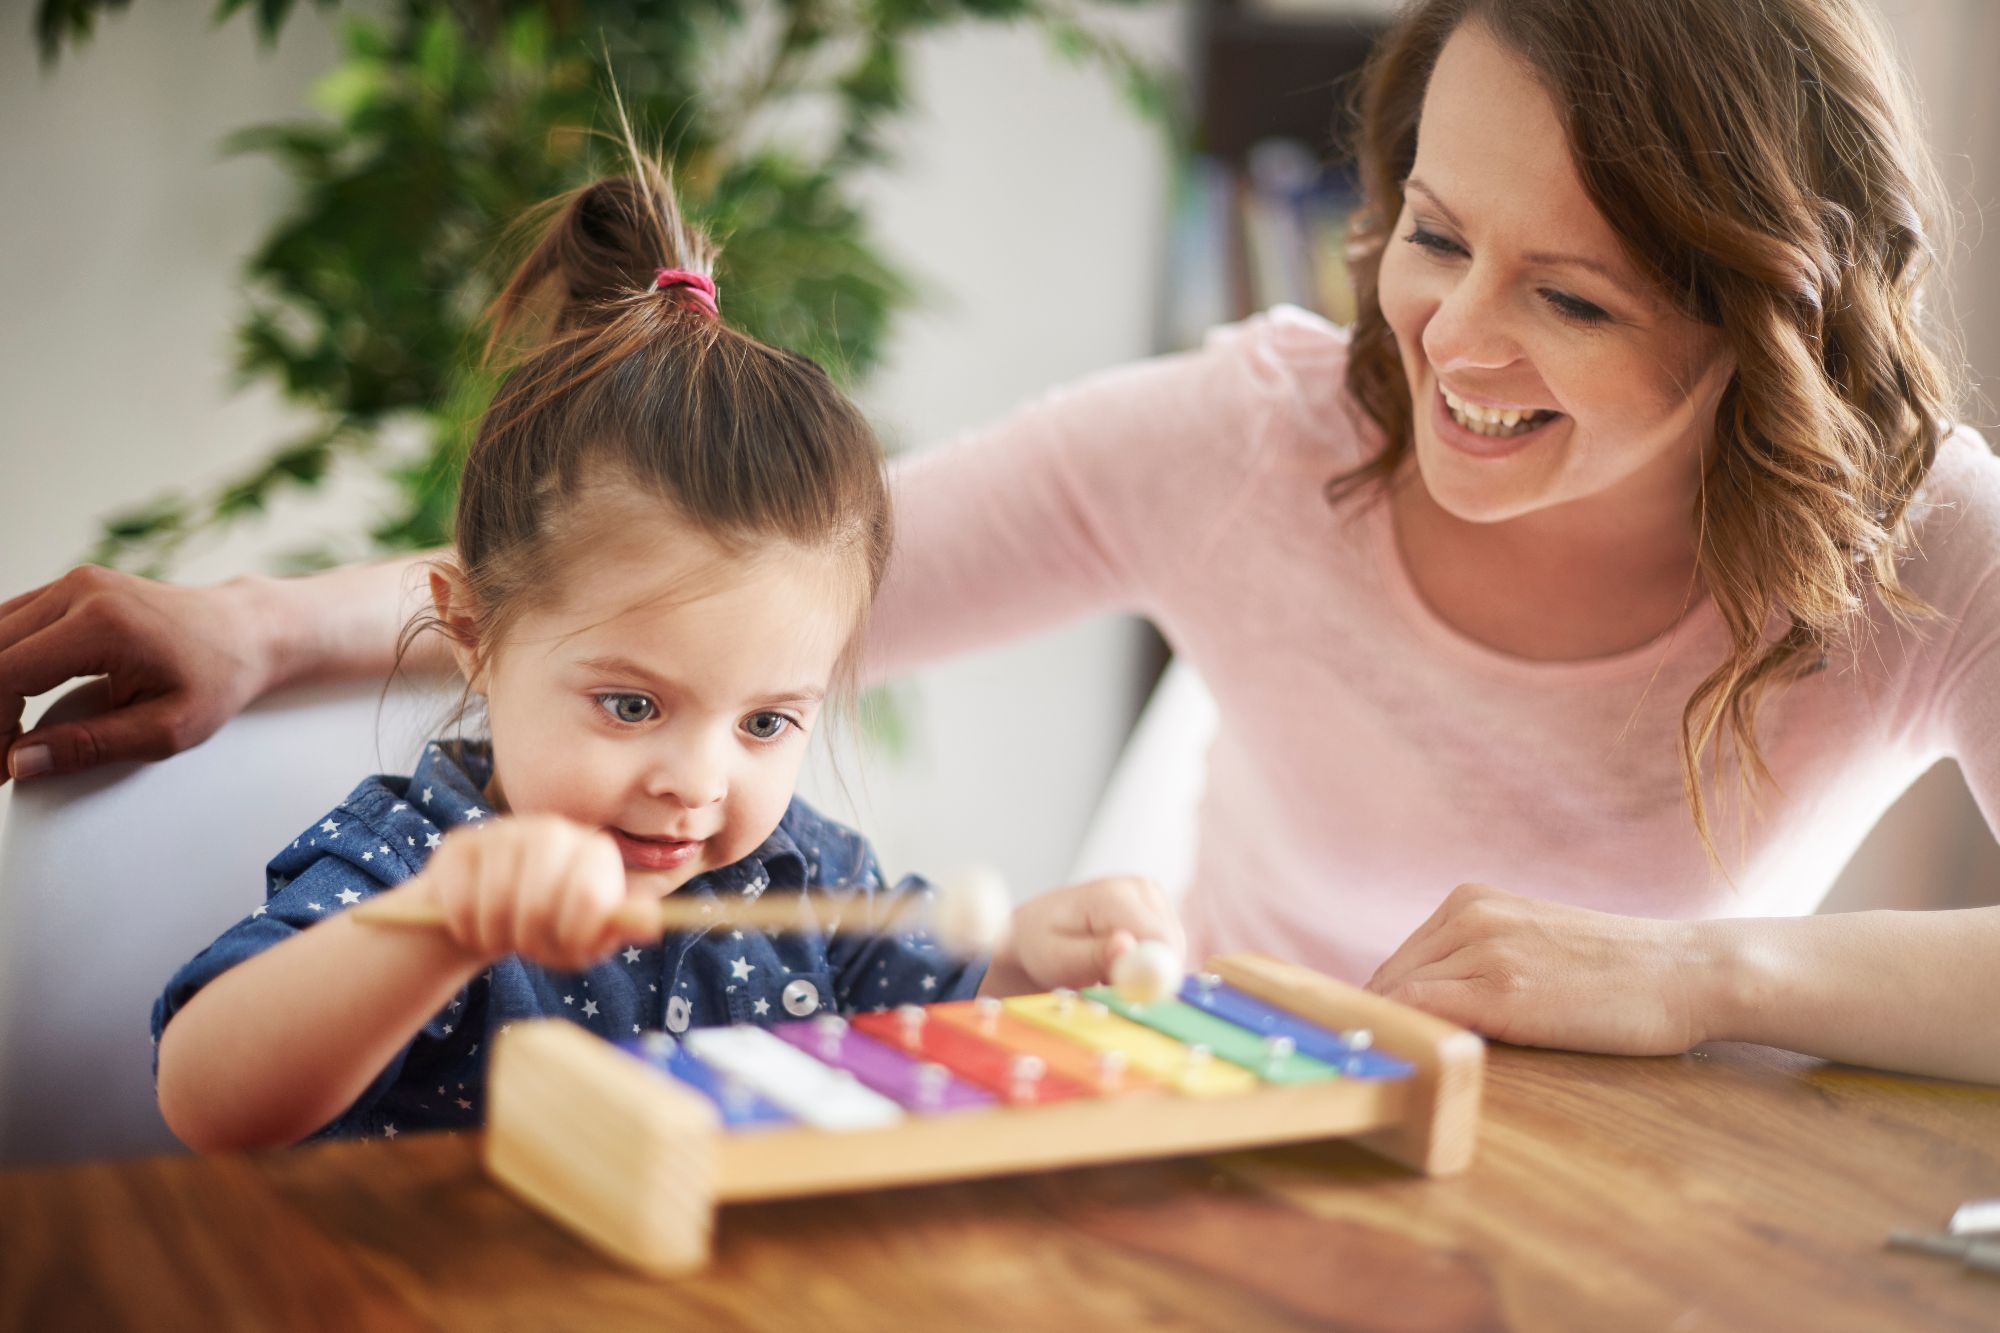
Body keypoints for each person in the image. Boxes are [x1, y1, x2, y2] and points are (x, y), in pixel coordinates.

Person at [5, 0, 1996, 1084]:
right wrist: (263, 627)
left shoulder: (1932, 550)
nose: (1452, 344)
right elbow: (704, 579)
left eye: (1568, 296)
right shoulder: (1261, 432)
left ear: (1771, 315)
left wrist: (1709, 977)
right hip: (1225, 1152)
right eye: (1437, 236)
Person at [143, 152, 1182, 1152]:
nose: (696, 782)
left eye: (765, 722)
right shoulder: (410, 864)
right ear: (471, 633)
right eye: (631, 706)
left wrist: (1021, 962)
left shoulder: (803, 878)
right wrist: (434, 931)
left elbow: (939, 1031)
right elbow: (207, 1098)